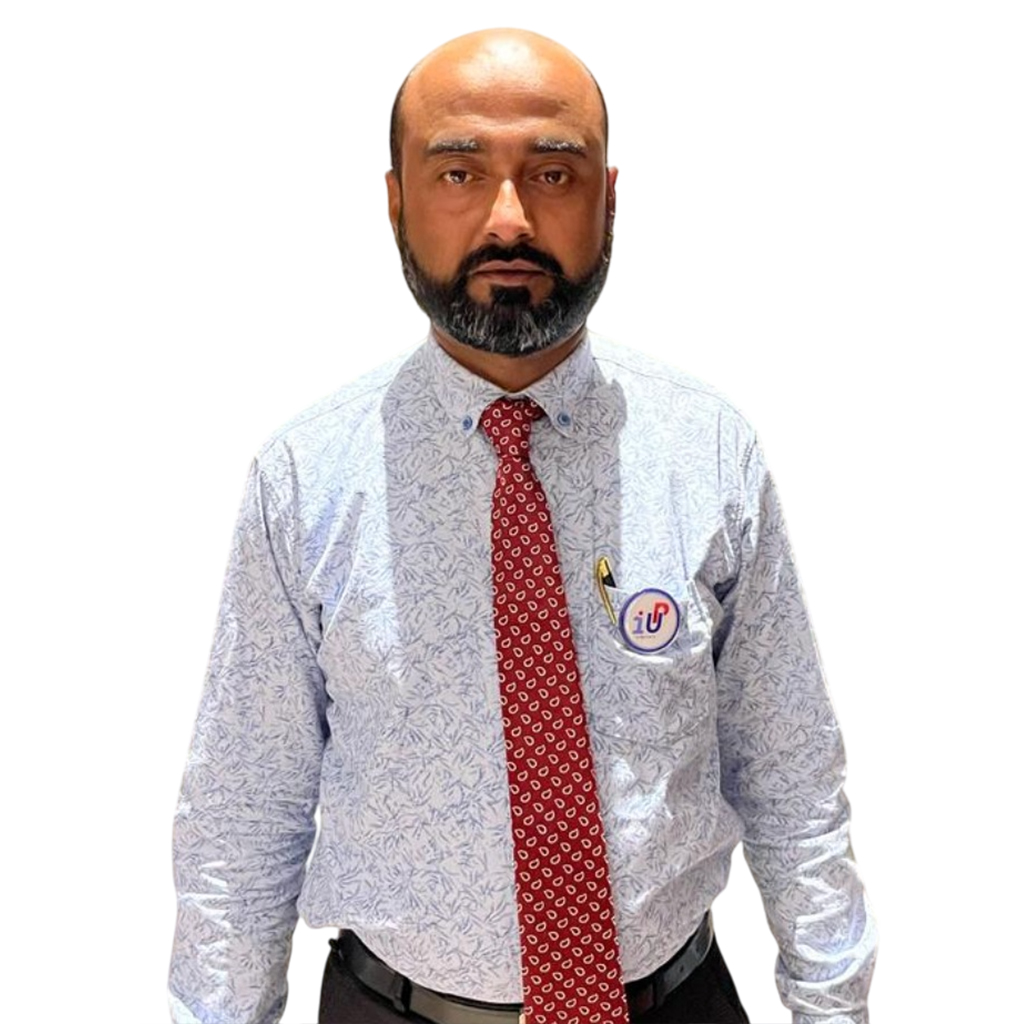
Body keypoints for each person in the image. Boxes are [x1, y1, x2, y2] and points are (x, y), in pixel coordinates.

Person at [169, 28, 876, 1024]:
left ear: (609, 200)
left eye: (553, 173)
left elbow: (790, 770)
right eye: (459, 172)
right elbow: (246, 807)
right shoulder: (307, 479)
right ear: (397, 201)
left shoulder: (707, 451)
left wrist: (834, 1008)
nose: (509, 219)